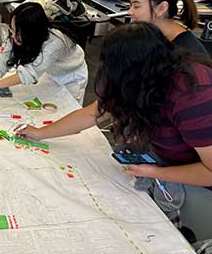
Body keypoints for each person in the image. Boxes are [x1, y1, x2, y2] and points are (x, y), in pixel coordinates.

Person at [17, 22, 212, 240]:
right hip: (168, 162)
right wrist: (40, 133)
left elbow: (210, 171)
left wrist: (155, 172)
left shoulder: (194, 96)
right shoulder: (140, 77)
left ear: (134, 70)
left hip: (199, 186)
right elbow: (92, 113)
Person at [0, 2, 88, 104]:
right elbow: (1, 64)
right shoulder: (17, 35)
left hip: (71, 75)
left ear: (32, 32)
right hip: (51, 71)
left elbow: (28, 74)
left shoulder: (56, 43)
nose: (13, 35)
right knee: (50, 104)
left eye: (17, 32)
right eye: (12, 29)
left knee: (68, 109)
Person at [129, 0, 207, 56]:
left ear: (162, 8)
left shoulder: (184, 54)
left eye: (136, 6)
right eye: (130, 5)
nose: (129, 12)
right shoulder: (154, 36)